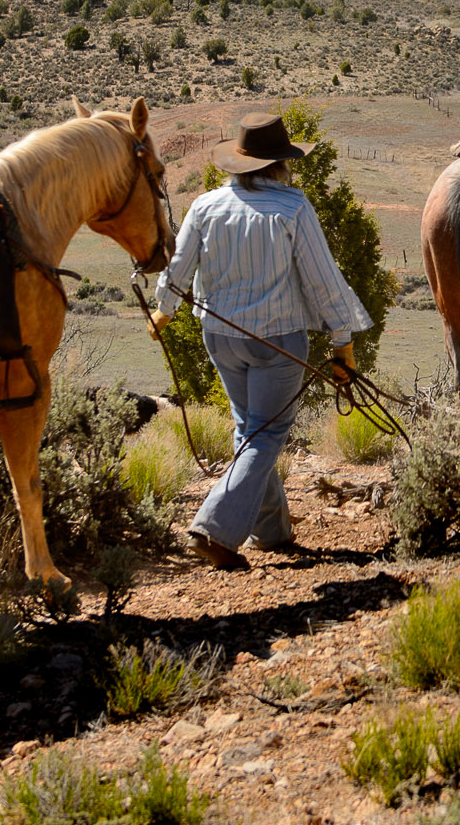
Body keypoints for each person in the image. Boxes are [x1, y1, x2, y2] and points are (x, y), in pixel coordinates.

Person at [150, 112, 371, 571]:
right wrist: (342, 341)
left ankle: (270, 531)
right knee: (266, 434)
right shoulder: (292, 207)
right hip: (279, 341)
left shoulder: (205, 205)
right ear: (278, 165)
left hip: (220, 337)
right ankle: (215, 527)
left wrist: (164, 309)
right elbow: (323, 280)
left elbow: (178, 266)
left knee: (250, 430)